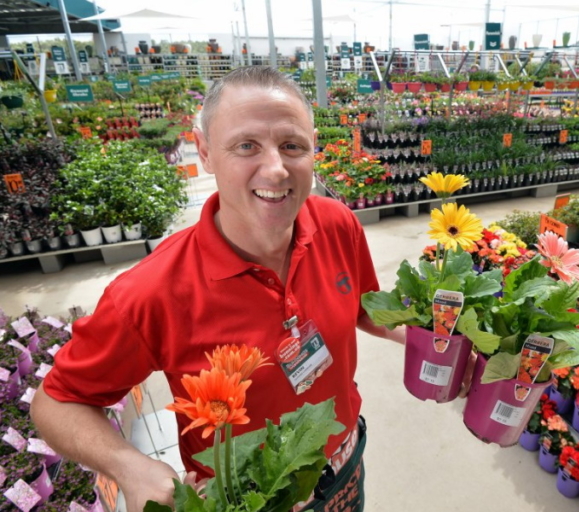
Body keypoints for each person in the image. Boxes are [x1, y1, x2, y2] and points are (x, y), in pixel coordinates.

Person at [31, 66, 404, 512]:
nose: (276, 168)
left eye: (292, 146)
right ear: (205, 152)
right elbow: (56, 402)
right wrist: (127, 465)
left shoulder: (337, 224)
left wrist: (435, 337)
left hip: (344, 466)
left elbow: (365, 308)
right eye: (246, 146)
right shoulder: (149, 292)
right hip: (247, 502)